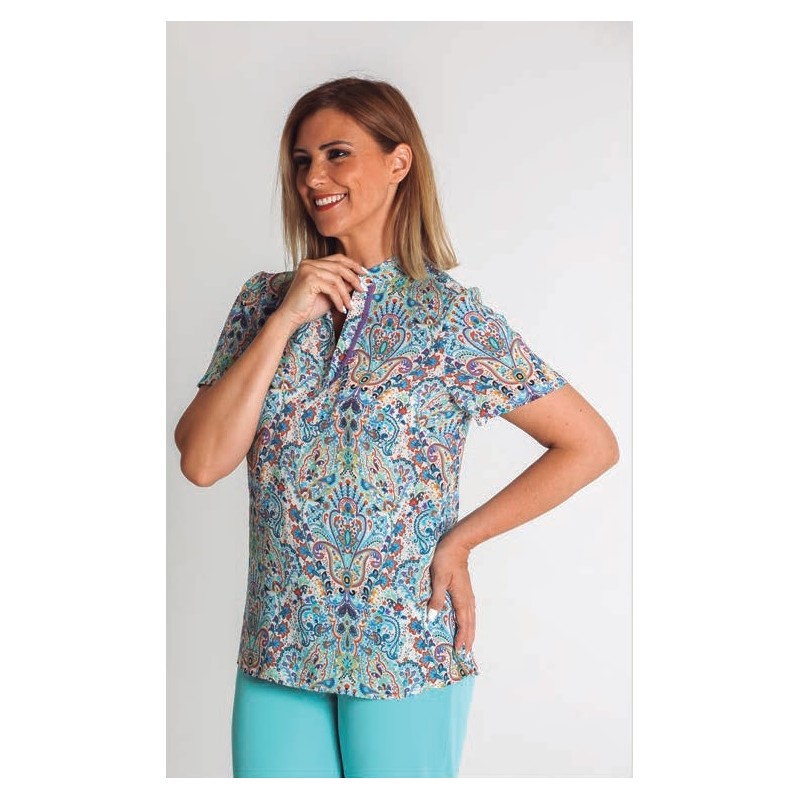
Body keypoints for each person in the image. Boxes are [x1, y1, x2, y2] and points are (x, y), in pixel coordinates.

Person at [174, 76, 619, 778]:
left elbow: (589, 444)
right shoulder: (263, 302)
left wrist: (462, 541)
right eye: (301, 160)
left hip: (403, 644)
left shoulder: (449, 317)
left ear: (398, 162)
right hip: (277, 646)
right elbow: (202, 462)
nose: (313, 177)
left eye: (337, 154)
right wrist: (286, 319)